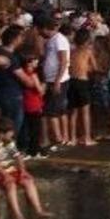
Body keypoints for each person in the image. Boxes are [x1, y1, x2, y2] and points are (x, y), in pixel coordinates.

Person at [0, 117, 52, 219]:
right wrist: (6, 175)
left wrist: (22, 171)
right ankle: (18, 216)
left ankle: (39, 210)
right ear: (1, 134)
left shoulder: (9, 142)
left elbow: (18, 157)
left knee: (28, 180)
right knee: (10, 184)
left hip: (9, 169)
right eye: (10, 132)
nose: (12, 134)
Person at [39, 18, 70, 148]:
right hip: (50, 79)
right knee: (52, 109)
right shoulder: (51, 40)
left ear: (46, 28)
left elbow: (63, 61)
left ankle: (58, 138)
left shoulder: (59, 40)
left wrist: (57, 80)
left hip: (57, 80)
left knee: (53, 110)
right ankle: (59, 136)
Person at [67, 28, 98, 147]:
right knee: (85, 111)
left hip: (72, 81)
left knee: (73, 112)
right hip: (83, 81)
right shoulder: (87, 51)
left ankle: (72, 137)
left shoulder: (72, 51)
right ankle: (86, 137)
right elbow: (94, 67)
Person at [17, 52, 45, 158]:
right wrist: (42, 85)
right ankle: (34, 151)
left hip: (26, 103)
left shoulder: (22, 73)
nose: (37, 62)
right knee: (35, 129)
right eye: (35, 60)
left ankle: (29, 149)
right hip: (34, 104)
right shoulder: (33, 75)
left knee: (28, 128)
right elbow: (40, 91)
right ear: (29, 62)